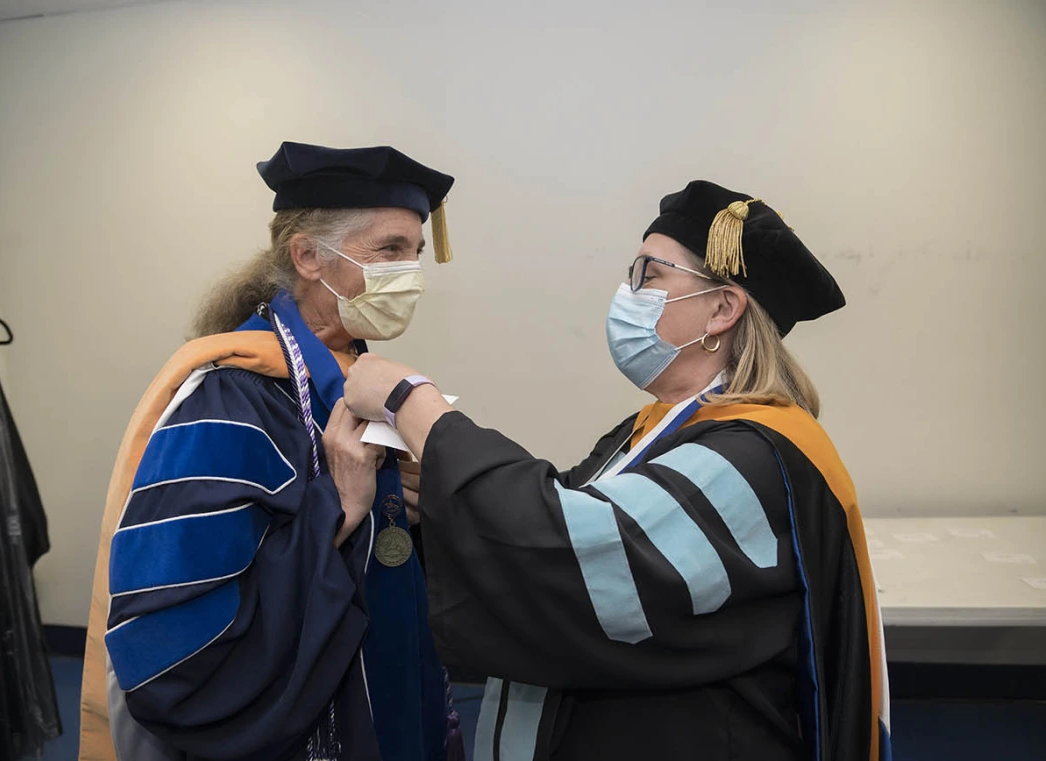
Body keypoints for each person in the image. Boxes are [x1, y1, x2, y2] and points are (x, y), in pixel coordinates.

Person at [332, 180, 891, 761]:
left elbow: (569, 553)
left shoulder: (753, 457)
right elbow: (545, 523)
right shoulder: (649, 431)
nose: (629, 293)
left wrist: (413, 402)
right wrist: (435, 501)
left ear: (723, 309)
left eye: (650, 274)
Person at [77, 141, 462, 761]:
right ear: (308, 256)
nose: (410, 272)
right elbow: (178, 632)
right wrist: (336, 508)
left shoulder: (350, 373)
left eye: (416, 253)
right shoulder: (233, 397)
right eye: (390, 249)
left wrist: (403, 510)